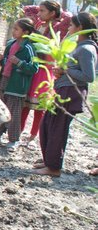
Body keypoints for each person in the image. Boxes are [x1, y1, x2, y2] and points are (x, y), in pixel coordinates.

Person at [34, 12, 97, 176]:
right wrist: (61, 71)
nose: (68, 28)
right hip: (63, 89)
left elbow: (88, 77)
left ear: (80, 27)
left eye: (71, 25)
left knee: (57, 129)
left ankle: (54, 167)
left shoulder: (86, 49)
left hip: (71, 92)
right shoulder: (79, 47)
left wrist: (65, 70)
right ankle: (49, 159)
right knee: (47, 124)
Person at [0, 18, 37, 148]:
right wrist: (0, 60)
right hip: (5, 80)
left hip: (17, 85)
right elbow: (6, 63)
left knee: (14, 112)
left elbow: (34, 68)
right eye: (13, 28)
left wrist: (19, 63)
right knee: (0, 109)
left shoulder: (28, 48)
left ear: (25, 31)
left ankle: (14, 139)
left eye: (16, 29)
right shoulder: (11, 44)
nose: (13, 31)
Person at [24, 0, 62, 146]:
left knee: (39, 105)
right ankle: (19, 132)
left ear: (52, 13)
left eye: (42, 11)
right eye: (39, 11)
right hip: (33, 66)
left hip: (44, 69)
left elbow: (51, 51)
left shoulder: (56, 29)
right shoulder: (39, 26)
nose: (39, 14)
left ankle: (34, 135)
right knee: (25, 103)